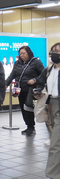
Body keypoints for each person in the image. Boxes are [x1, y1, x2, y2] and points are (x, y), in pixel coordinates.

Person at [5, 46, 44, 136]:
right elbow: (12, 75)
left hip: (31, 90)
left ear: (29, 53)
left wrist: (34, 79)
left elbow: (43, 74)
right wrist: (5, 84)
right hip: (20, 90)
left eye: (24, 53)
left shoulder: (36, 62)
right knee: (23, 109)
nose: (22, 55)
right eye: (20, 53)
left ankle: (31, 127)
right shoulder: (17, 63)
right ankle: (28, 126)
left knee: (29, 108)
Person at [35, 42, 60, 179]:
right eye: (53, 51)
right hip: (53, 105)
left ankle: (53, 174)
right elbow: (45, 86)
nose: (54, 54)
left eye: (57, 51)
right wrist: (39, 93)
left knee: (55, 143)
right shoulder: (50, 69)